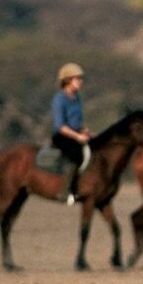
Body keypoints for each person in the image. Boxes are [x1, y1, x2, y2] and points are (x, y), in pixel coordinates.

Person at [51, 63, 92, 205]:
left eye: (81, 79)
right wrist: (78, 136)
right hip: (63, 136)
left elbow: (77, 122)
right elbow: (60, 126)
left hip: (76, 134)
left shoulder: (77, 98)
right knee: (75, 154)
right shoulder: (60, 99)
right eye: (77, 79)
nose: (81, 81)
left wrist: (85, 131)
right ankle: (65, 191)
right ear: (68, 80)